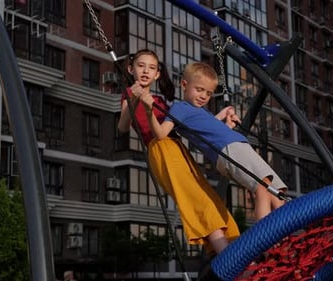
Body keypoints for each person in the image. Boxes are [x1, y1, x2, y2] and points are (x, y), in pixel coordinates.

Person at [117, 49, 239, 256]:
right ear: (131, 69)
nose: (146, 71)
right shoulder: (130, 94)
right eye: (141, 66)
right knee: (197, 200)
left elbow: (184, 127)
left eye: (152, 67)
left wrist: (220, 119)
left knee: (209, 197)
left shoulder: (159, 100)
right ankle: (231, 259)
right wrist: (134, 100)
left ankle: (232, 249)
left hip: (179, 149)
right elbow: (122, 126)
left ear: (157, 74)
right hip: (161, 150)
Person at [140, 62, 286, 221]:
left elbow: (208, 129)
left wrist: (225, 118)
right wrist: (149, 110)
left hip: (238, 145)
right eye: (199, 90)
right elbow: (161, 134)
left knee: (278, 191)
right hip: (229, 149)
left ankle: (288, 235)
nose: (204, 96)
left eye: (209, 93)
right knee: (262, 186)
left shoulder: (201, 110)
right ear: (184, 85)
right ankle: (267, 237)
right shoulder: (180, 108)